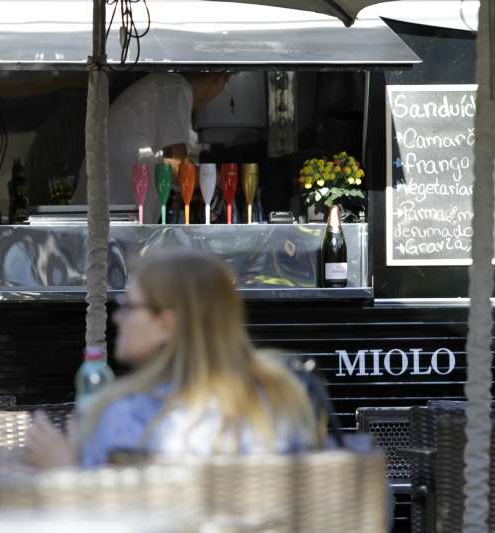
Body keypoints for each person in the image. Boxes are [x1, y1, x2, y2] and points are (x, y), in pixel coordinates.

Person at [27, 250, 319, 468]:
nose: (118, 317)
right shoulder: (280, 401)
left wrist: (64, 471)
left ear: (166, 325)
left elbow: (114, 517)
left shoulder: (127, 417)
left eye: (129, 305)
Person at [72, 72, 230, 223]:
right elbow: (176, 168)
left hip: (108, 216)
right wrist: (217, 178)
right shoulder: (175, 88)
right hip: (112, 220)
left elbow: (166, 166)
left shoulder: (162, 86)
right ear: (221, 79)